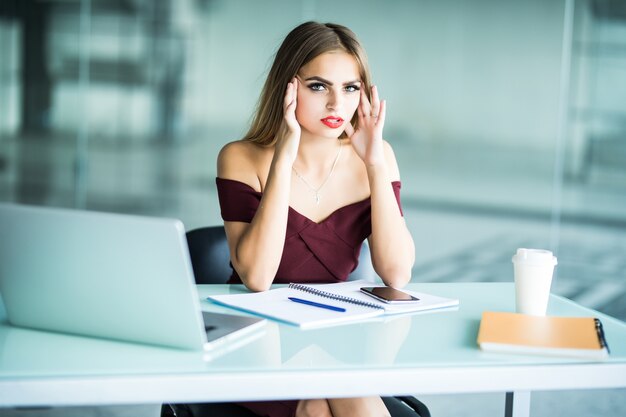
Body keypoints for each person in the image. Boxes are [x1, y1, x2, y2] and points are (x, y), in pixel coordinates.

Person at [216, 21, 415, 417]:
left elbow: (397, 274)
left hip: (333, 334)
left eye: (350, 88)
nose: (336, 105)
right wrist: (284, 158)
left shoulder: (377, 156)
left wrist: (375, 165)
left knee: (351, 396)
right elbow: (256, 277)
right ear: (288, 88)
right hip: (256, 337)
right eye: (319, 86)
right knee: (313, 407)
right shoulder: (240, 156)